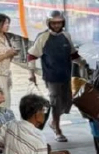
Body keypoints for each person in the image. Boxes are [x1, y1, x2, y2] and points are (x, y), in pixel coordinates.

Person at [28, 11, 79, 143]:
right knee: (55, 101)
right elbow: (32, 55)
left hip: (66, 75)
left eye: (59, 23)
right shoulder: (43, 37)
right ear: (49, 23)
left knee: (67, 102)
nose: (57, 25)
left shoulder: (66, 36)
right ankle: (57, 128)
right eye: (54, 23)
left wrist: (83, 63)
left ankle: (54, 120)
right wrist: (31, 73)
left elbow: (73, 54)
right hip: (51, 76)